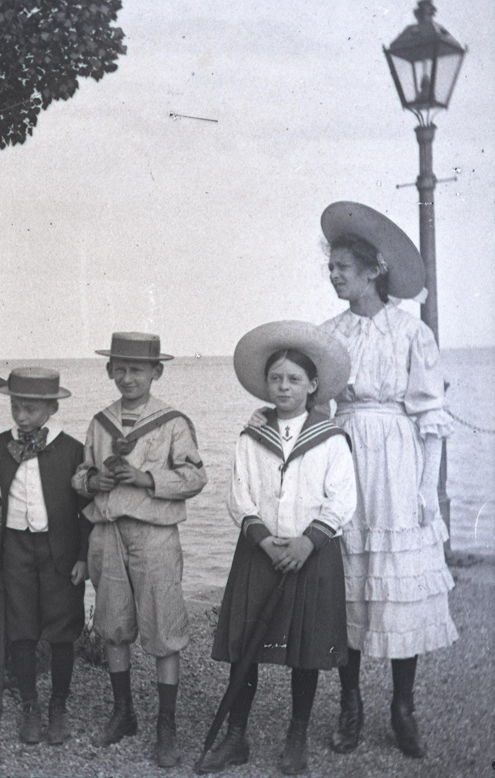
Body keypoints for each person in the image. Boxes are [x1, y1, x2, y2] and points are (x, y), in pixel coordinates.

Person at [318, 201, 458, 759]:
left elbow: (429, 415)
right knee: (347, 582)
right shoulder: (327, 335)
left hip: (397, 464)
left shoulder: (410, 332)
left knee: (399, 584)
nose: (334, 276)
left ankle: (403, 706)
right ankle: (350, 703)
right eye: (330, 269)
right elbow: (316, 408)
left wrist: (427, 491)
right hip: (345, 454)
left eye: (343, 269)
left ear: (374, 270)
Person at [196, 321, 356, 776]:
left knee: (304, 648)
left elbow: (342, 498)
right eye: (276, 379)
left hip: (311, 555)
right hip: (260, 554)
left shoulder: (331, 438)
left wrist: (309, 540)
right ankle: (235, 736)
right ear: (266, 385)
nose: (284, 386)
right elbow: (238, 495)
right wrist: (264, 540)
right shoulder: (251, 437)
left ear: (312, 386)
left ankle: (297, 737)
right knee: (246, 646)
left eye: (294, 379)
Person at [72, 332, 207, 768]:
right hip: (108, 531)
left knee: (163, 624)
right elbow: (79, 475)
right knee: (112, 622)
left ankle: (165, 724)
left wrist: (147, 479)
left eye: (138, 370)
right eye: (120, 369)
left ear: (156, 372)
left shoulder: (173, 423)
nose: (128, 377)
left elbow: (195, 477)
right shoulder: (100, 422)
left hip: (155, 534)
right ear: (110, 371)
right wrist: (93, 482)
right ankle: (122, 711)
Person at [0, 367, 90, 745]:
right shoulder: (1, 444)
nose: (22, 417)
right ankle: (30, 705)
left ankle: (58, 706)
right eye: (16, 408)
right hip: (16, 548)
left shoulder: (71, 449)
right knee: (20, 629)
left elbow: (87, 507)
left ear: (52, 408)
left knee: (61, 631)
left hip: (59, 550)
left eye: (31, 410)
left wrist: (83, 557)